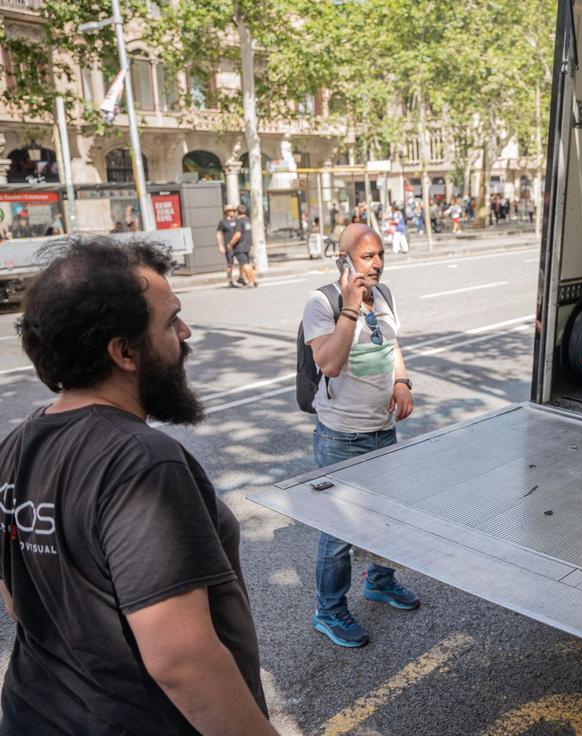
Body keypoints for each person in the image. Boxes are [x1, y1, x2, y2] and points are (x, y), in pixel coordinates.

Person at [0, 238, 275, 735]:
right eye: (171, 322)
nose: (186, 333)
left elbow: (20, 600)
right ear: (125, 352)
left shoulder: (15, 446)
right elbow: (183, 661)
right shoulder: (143, 463)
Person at [301, 223, 418, 648]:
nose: (378, 263)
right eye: (367, 256)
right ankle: (329, 611)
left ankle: (380, 582)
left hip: (381, 428)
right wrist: (350, 308)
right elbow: (329, 364)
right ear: (344, 258)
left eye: (380, 254)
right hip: (341, 436)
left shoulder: (384, 296)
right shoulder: (322, 302)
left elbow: (392, 345)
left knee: (386, 514)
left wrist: (402, 382)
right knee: (340, 531)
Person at [216, 204, 243, 288]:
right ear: (226, 212)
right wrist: (220, 245)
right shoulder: (223, 222)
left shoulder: (237, 220)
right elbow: (219, 233)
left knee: (242, 262)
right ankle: (229, 281)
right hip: (229, 246)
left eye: (233, 210)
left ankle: (241, 278)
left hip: (238, 246)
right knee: (230, 264)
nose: (232, 212)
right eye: (230, 210)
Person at [234, 204, 258, 288]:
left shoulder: (239, 221)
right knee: (247, 264)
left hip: (240, 246)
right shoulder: (248, 220)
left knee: (245, 265)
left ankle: (250, 282)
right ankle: (254, 280)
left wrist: (230, 244)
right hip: (247, 245)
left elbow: (237, 235)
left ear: (237, 212)